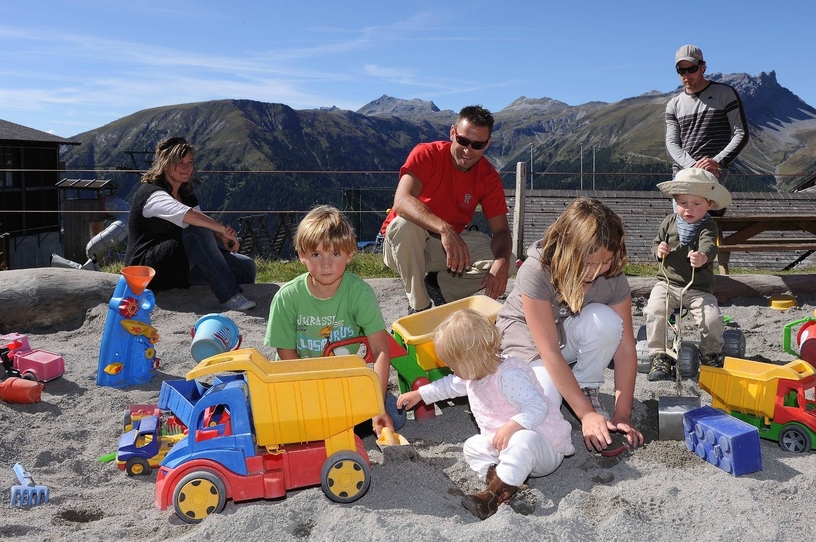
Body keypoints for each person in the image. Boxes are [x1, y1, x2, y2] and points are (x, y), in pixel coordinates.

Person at [495, 197, 644, 455]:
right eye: (588, 263)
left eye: (605, 261)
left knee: (607, 322)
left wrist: (623, 413)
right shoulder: (536, 269)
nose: (595, 271)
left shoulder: (612, 276)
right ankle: (574, 402)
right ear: (567, 249)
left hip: (567, 336)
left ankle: (585, 387)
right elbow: (549, 350)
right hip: (528, 339)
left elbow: (626, 348)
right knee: (545, 404)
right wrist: (585, 414)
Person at [396, 309, 575, 520]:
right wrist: (420, 394)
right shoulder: (475, 374)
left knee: (523, 439)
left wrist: (512, 424)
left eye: (453, 365)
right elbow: (449, 386)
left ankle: (492, 498)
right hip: (507, 449)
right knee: (472, 447)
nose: (451, 370)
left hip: (543, 446)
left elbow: (538, 407)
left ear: (470, 361)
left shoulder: (508, 375)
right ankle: (501, 482)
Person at [264, 205, 400, 434]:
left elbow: (380, 350)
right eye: (316, 254)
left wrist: (377, 404)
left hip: (342, 380)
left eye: (335, 254)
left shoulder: (360, 293)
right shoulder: (286, 298)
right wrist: (315, 395)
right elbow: (287, 354)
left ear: (349, 255)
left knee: (392, 415)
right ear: (302, 256)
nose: (326, 264)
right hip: (298, 381)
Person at [380, 105, 513, 313]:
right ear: (452, 133)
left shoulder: (488, 177)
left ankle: (440, 287)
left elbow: (502, 232)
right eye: (463, 141)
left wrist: (502, 263)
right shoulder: (426, 153)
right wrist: (445, 228)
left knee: (508, 261)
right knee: (405, 225)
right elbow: (401, 200)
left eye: (477, 145)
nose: (468, 151)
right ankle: (419, 307)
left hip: (446, 250)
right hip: (403, 246)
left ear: (488, 144)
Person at [124, 137, 257, 311]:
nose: (187, 167)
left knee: (245, 267)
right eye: (180, 162)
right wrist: (223, 230)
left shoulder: (186, 194)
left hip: (178, 264)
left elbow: (202, 223)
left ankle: (214, 286)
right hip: (149, 270)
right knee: (195, 229)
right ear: (165, 164)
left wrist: (219, 236)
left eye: (190, 162)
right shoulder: (151, 194)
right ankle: (229, 295)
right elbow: (190, 218)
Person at [644, 168, 731, 381]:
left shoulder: (707, 226)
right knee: (655, 309)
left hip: (698, 288)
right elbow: (656, 242)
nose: (688, 209)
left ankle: (711, 353)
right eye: (683, 203)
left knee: (711, 319)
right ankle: (660, 355)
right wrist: (658, 250)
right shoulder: (669, 222)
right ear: (675, 202)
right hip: (667, 282)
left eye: (696, 204)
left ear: (709, 204)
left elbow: (710, 246)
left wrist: (703, 257)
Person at [664, 43, 748, 215]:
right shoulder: (674, 104)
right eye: (681, 71)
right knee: (684, 228)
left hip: (713, 172)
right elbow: (671, 143)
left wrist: (717, 162)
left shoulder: (725, 94)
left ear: (703, 67)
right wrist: (693, 166)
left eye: (692, 68)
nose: (686, 75)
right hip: (683, 173)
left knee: (709, 226)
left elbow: (741, 133)